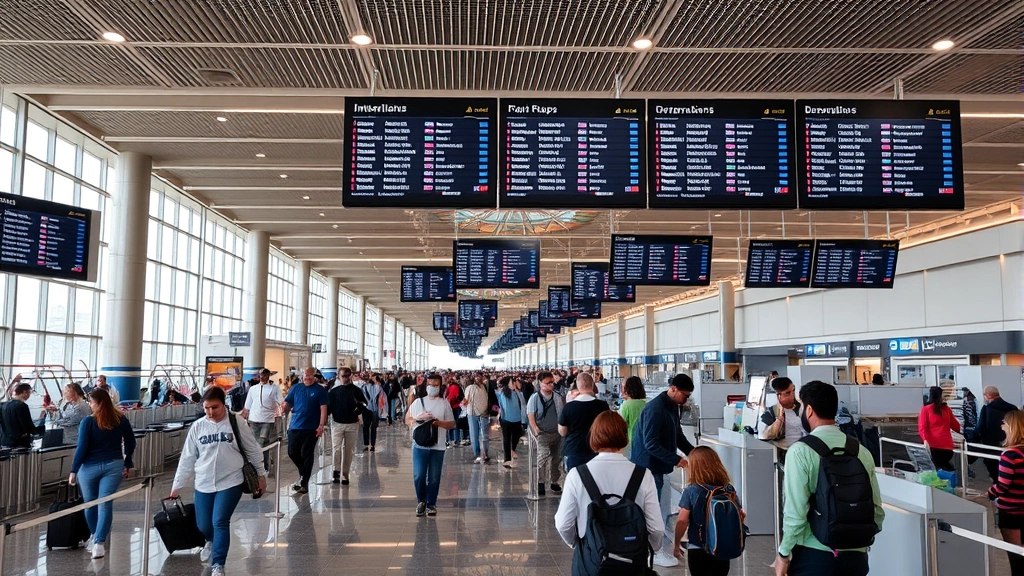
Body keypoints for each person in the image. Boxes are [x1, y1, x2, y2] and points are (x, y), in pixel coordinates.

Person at [775, 381, 883, 576]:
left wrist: (783, 554)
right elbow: (877, 511)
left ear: (808, 410)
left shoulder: (800, 452)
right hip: (856, 559)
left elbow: (795, 514)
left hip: (814, 556)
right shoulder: (861, 451)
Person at [171, 387, 267, 576]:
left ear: (224, 404)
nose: (210, 412)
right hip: (203, 483)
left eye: (214, 407)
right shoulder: (198, 426)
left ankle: (218, 564)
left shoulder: (236, 422)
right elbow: (187, 458)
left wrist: (261, 475)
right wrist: (177, 486)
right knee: (204, 525)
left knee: (220, 521)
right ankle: (210, 540)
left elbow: (253, 450)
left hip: (231, 481)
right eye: (207, 408)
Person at [554, 411, 664, 572]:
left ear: (593, 437)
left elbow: (563, 523)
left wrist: (578, 544)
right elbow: (656, 528)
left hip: (590, 560)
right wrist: (648, 548)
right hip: (632, 560)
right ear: (624, 437)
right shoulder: (643, 475)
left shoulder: (577, 475)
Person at [629, 373, 696, 567]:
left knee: (661, 508)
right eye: (684, 395)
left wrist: (693, 452)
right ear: (673, 389)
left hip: (658, 467)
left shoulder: (673, 407)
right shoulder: (655, 409)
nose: (686, 399)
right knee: (653, 510)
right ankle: (653, 551)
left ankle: (660, 547)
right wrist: (677, 460)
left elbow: (677, 434)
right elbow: (650, 444)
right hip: (648, 467)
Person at [68, 388, 136, 560]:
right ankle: (99, 542)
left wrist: (73, 470)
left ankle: (95, 537)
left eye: (91, 402)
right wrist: (128, 461)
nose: (90, 405)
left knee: (90, 504)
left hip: (88, 468)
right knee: (105, 503)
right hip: (114, 466)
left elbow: (81, 448)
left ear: (99, 403)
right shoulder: (120, 419)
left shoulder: (88, 422)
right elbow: (131, 442)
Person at [674, 446, 745, 576]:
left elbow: (682, 520)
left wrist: (677, 543)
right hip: (722, 546)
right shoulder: (728, 489)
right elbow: (740, 515)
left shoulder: (691, 490)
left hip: (698, 547)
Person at [405, 373, 455, 517]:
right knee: (419, 475)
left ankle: (431, 503)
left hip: (438, 447)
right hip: (419, 446)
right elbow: (407, 419)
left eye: (435, 385)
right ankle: (421, 500)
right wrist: (417, 420)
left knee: (434, 477)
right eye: (430, 384)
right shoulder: (418, 402)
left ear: (440, 387)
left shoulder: (444, 404)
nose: (432, 387)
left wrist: (438, 422)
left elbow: (452, 424)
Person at [280, 367, 329, 494]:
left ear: (314, 377)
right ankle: (303, 473)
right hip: (295, 426)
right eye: (305, 375)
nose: (307, 377)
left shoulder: (320, 390)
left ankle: (304, 483)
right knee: (292, 452)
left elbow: (323, 408)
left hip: (311, 428)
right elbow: (289, 402)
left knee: (307, 454)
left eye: (309, 375)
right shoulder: (296, 388)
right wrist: (284, 409)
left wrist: (321, 425)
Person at [987, 409, 1024, 575]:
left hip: (1012, 513)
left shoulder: (1010, 455)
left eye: (1005, 423)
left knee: (1017, 558)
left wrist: (989, 493)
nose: (1002, 427)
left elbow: (1003, 486)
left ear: (1013, 427)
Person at [558, 372, 609, 473]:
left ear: (577, 385)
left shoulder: (569, 407)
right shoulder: (602, 406)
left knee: (575, 482)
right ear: (592, 384)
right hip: (596, 449)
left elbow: (562, 431)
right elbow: (607, 428)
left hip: (574, 449)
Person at [527, 371, 565, 496]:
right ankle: (540, 482)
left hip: (556, 433)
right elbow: (530, 414)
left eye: (552, 382)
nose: (551, 385)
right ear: (540, 383)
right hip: (542, 433)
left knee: (556, 458)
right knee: (542, 456)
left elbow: (561, 413)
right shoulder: (535, 398)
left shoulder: (557, 397)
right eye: (548, 383)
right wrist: (535, 429)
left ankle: (554, 481)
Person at [327, 367, 365, 485]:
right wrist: (322, 422)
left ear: (351, 376)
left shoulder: (356, 390)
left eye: (348, 376)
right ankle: (336, 471)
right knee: (336, 448)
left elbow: (363, 403)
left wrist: (357, 411)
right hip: (337, 423)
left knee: (348, 450)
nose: (346, 378)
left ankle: (345, 474)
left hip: (352, 424)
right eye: (343, 376)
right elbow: (328, 408)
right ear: (339, 376)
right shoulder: (334, 392)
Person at [241, 368, 282, 472]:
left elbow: (281, 401)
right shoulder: (253, 389)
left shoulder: (274, 388)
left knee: (262, 442)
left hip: (267, 420)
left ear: (268, 375)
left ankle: (262, 465)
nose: (262, 377)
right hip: (254, 420)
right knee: (255, 443)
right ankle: (260, 464)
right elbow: (247, 406)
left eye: (264, 375)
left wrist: (281, 408)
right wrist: (242, 417)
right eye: (260, 375)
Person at [978, 386, 1019, 481]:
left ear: (988, 395)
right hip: (1011, 444)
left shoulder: (986, 409)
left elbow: (980, 428)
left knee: (994, 470)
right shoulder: (1013, 408)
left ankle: (998, 487)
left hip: (991, 446)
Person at [918, 385, 961, 471]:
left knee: (935, 468)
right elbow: (956, 426)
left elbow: (922, 427)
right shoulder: (946, 409)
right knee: (945, 466)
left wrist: (925, 440)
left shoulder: (926, 409)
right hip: (948, 448)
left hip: (933, 446)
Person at [758, 377, 806, 448]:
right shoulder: (771, 412)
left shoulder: (802, 408)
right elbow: (765, 435)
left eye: (790, 392)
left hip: (802, 449)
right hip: (782, 451)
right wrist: (779, 419)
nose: (789, 396)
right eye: (783, 394)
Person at [496, 376, 527, 469]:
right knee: (507, 438)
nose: (513, 383)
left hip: (517, 419)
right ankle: (507, 460)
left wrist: (517, 390)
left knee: (516, 436)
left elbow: (522, 403)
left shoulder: (516, 392)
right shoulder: (503, 393)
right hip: (506, 419)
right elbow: (504, 407)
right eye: (511, 382)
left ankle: (511, 450)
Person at [1, 383, 44, 447]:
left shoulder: (3, 405)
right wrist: (42, 427)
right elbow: (28, 427)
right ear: (25, 392)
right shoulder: (22, 406)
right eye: (29, 393)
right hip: (19, 443)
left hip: (5, 442)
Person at [463, 374, 491, 463]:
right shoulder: (483, 388)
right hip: (484, 413)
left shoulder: (470, 388)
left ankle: (477, 453)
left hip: (472, 413)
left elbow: (466, 401)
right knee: (485, 435)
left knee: (474, 434)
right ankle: (485, 453)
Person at [617, 375, 647, 447]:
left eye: (623, 387)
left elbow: (619, 426)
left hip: (631, 444)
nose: (622, 390)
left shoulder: (626, 405)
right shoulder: (646, 405)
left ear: (628, 389)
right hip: (644, 443)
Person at [360, 374, 385, 451]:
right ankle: (373, 445)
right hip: (375, 410)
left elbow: (361, 399)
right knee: (373, 428)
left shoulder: (363, 387)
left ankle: (366, 445)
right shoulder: (379, 388)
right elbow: (383, 399)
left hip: (366, 409)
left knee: (365, 427)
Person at [444, 377, 464, 447]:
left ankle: (452, 440)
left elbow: (449, 397)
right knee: (455, 424)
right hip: (457, 407)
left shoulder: (451, 387)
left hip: (452, 407)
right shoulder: (457, 387)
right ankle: (456, 440)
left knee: (451, 424)